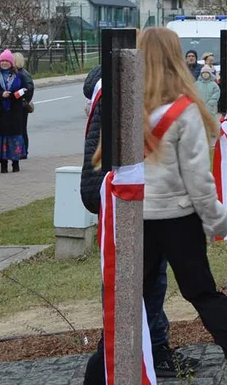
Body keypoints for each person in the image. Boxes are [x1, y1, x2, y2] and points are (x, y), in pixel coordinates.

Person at [84, 28, 227, 385]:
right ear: (177, 57)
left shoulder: (121, 105)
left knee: (128, 301)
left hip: (133, 220)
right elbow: (198, 180)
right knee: (205, 295)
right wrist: (218, 221)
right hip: (179, 220)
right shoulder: (185, 110)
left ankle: (97, 375)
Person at [79, 64, 200, 381]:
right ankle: (122, 357)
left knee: (150, 282)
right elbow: (103, 156)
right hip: (125, 203)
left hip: (142, 201)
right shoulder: (119, 92)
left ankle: (152, 348)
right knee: (138, 285)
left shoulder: (126, 88)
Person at [0, 50, 33, 173]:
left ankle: (15, 163)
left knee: (15, 137)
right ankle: (3, 164)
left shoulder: (19, 76)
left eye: (7, 61)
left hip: (14, 111)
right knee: (0, 137)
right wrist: (1, 94)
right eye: (2, 61)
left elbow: (26, 89)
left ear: (11, 63)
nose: (4, 63)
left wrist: (17, 95)